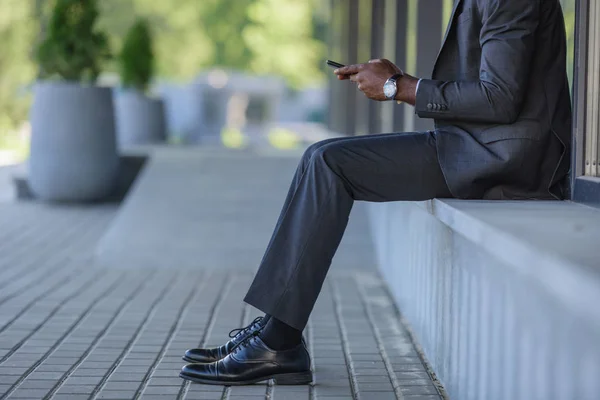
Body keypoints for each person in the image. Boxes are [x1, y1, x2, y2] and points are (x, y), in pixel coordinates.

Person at [180, 0, 571, 386]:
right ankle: (274, 330)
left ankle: (278, 341)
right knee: (320, 155)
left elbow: (499, 98)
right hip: (471, 144)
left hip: (501, 157)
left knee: (329, 164)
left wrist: (397, 87)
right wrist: (396, 79)